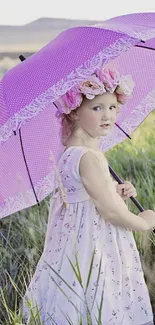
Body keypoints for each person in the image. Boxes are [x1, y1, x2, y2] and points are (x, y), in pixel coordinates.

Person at [22, 67, 155, 325]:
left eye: (113, 107)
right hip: (96, 244)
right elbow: (109, 212)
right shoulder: (87, 157)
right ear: (73, 112)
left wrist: (115, 192)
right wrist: (144, 222)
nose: (108, 116)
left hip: (74, 243)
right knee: (102, 294)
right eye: (97, 108)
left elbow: (85, 198)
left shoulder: (72, 152)